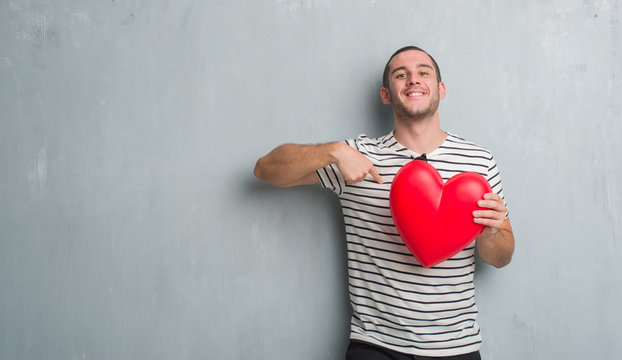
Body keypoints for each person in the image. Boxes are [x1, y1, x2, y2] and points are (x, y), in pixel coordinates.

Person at [254, 46, 514, 360]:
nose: (413, 80)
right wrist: (334, 150)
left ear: (441, 89)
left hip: (456, 347)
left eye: (423, 72)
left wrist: (490, 232)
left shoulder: (478, 162)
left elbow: (500, 258)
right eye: (400, 75)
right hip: (376, 346)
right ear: (386, 94)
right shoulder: (356, 157)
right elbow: (266, 170)